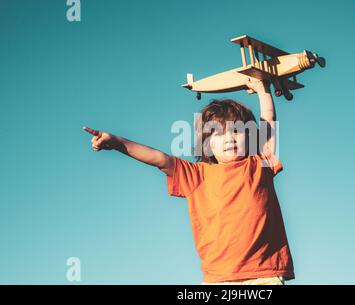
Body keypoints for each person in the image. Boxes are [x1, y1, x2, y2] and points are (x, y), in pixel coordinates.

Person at [82, 53, 314, 285]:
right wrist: (117, 142)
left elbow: (268, 121)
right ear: (207, 144)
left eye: (236, 131)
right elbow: (158, 158)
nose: (229, 138)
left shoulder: (259, 164)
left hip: (264, 276)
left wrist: (263, 89)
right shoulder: (197, 174)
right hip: (218, 279)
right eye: (219, 133)